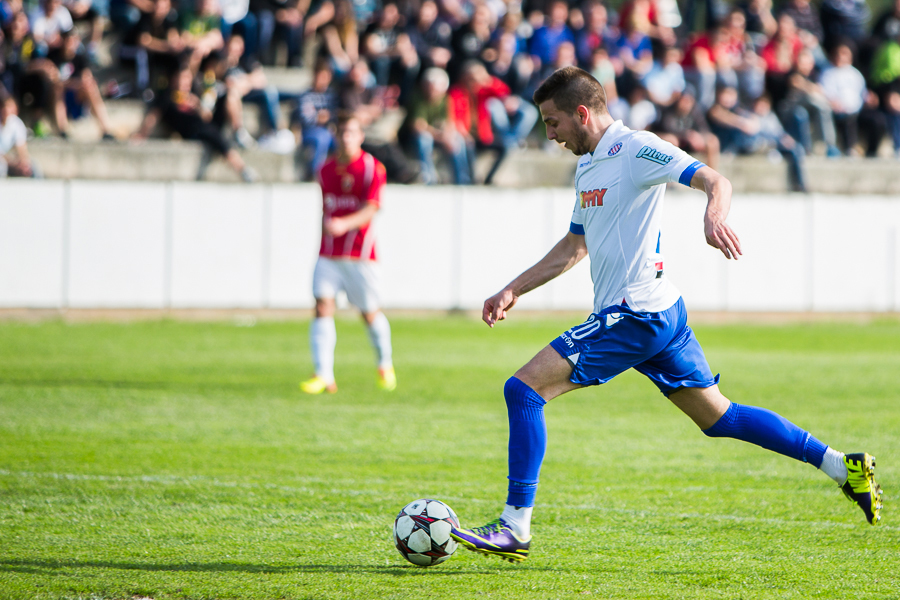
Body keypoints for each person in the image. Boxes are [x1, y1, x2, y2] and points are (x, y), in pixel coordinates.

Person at [448, 66, 882, 563]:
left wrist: (713, 214)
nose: (550, 134)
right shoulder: (588, 166)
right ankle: (840, 465)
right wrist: (512, 289)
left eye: (552, 122)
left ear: (582, 113)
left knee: (523, 390)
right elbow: (574, 246)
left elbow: (714, 180)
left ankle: (514, 526)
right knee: (721, 417)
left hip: (635, 313)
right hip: (658, 311)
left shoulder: (634, 148)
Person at [300, 112, 396, 395]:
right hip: (329, 256)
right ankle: (323, 376)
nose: (345, 138)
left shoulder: (372, 168)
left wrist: (343, 224)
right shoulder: (325, 169)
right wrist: (323, 240)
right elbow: (326, 209)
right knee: (322, 307)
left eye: (351, 132)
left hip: (360, 256)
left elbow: (372, 208)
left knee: (369, 314)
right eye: (341, 132)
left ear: (360, 136)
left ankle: (385, 364)